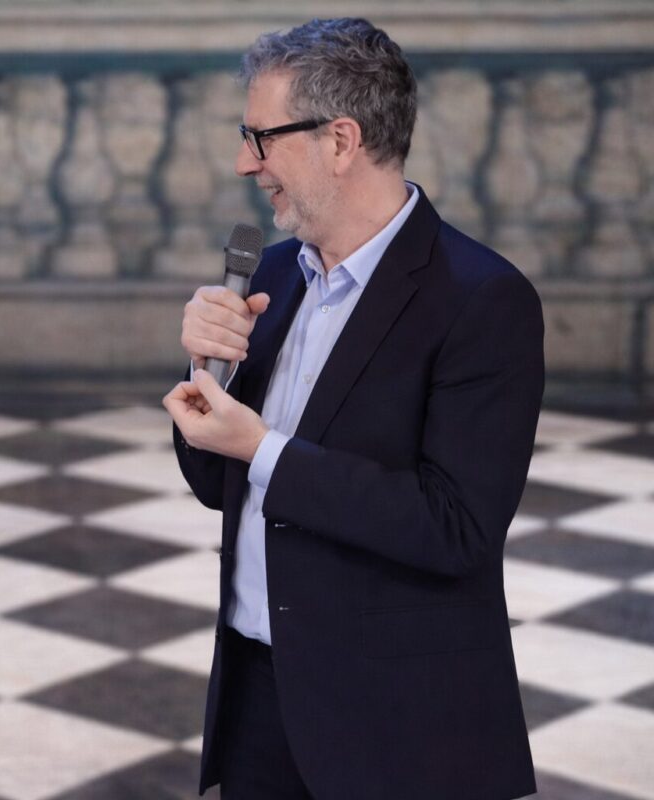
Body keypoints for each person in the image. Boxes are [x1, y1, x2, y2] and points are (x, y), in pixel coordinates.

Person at [163, 18, 542, 800]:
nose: (244, 163)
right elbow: (215, 484)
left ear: (340, 140)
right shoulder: (274, 275)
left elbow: (456, 528)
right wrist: (206, 378)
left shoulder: (482, 299)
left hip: (399, 726)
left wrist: (261, 448)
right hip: (260, 696)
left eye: (260, 138)